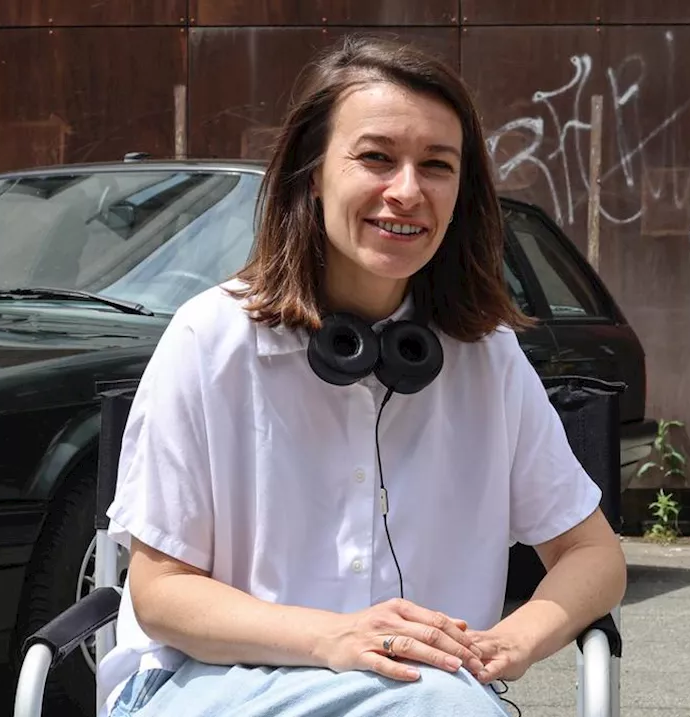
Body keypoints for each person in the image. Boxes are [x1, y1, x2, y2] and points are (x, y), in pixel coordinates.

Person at [93, 35, 628, 717]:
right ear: (312, 174)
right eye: (377, 157)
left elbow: (593, 553)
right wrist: (336, 637)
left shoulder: (485, 356)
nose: (407, 191)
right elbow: (161, 592)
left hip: (421, 693)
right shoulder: (209, 340)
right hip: (207, 680)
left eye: (437, 165)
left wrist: (510, 641)